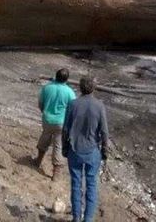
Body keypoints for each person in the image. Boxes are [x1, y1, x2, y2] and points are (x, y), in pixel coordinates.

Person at [62, 76, 109, 222]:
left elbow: (65, 129)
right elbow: (104, 131)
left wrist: (64, 148)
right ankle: (87, 219)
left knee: (76, 184)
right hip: (92, 150)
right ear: (93, 88)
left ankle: (76, 217)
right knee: (91, 184)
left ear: (80, 88)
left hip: (74, 149)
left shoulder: (73, 104)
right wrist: (105, 151)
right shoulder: (99, 105)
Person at [34, 68, 76, 181]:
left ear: (55, 76)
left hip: (47, 120)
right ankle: (56, 173)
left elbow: (40, 103)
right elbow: (73, 109)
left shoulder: (47, 87)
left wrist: (45, 112)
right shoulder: (70, 92)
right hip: (61, 122)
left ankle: (38, 160)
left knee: (44, 139)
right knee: (58, 145)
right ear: (67, 79)